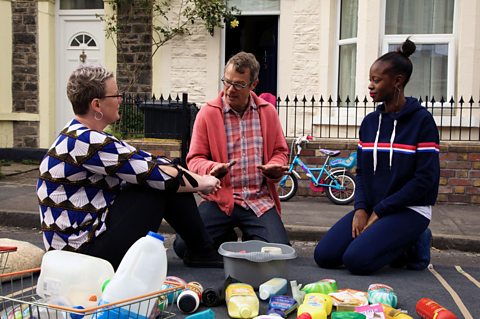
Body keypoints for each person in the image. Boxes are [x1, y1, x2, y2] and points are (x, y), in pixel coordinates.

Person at [36, 64, 223, 269]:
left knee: (165, 173)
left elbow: (149, 161)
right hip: (81, 254)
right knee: (160, 184)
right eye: (116, 95)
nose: (120, 99)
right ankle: (202, 251)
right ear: (97, 105)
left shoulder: (79, 134)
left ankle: (202, 250)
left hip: (82, 243)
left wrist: (192, 177)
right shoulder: (87, 141)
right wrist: (204, 183)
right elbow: (161, 176)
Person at [314, 39, 440, 275]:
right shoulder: (370, 123)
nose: (370, 86)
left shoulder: (422, 122)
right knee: (325, 256)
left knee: (356, 261)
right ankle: (388, 239)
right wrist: (361, 208)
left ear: (397, 81)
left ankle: (415, 241)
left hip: (410, 210)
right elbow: (361, 172)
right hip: (374, 208)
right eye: (370, 79)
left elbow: (425, 180)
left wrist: (381, 210)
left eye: (376, 80)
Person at [173, 52, 290, 257]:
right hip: (220, 200)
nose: (230, 89)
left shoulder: (268, 112)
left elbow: (280, 152)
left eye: (239, 84)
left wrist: (274, 167)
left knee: (279, 252)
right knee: (183, 247)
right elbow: (194, 159)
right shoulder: (208, 113)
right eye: (227, 82)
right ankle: (227, 236)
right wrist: (211, 168)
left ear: (253, 84)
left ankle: (249, 236)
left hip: (258, 200)